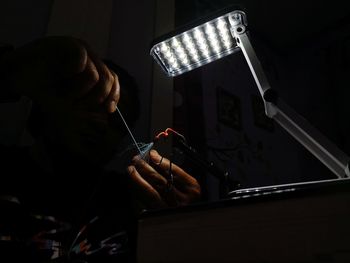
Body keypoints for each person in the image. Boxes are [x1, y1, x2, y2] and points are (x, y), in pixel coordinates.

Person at [0, 36, 201, 262]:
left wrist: (180, 231)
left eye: (116, 122)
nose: (101, 123)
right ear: (51, 103)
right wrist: (9, 70)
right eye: (93, 104)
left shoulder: (131, 202)